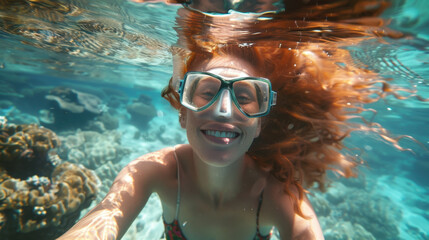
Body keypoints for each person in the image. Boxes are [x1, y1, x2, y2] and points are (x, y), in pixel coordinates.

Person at [59, 2, 418, 239]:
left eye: (246, 96)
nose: (224, 109)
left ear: (261, 122)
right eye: (205, 90)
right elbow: (105, 218)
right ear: (182, 109)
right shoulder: (156, 171)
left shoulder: (277, 195)